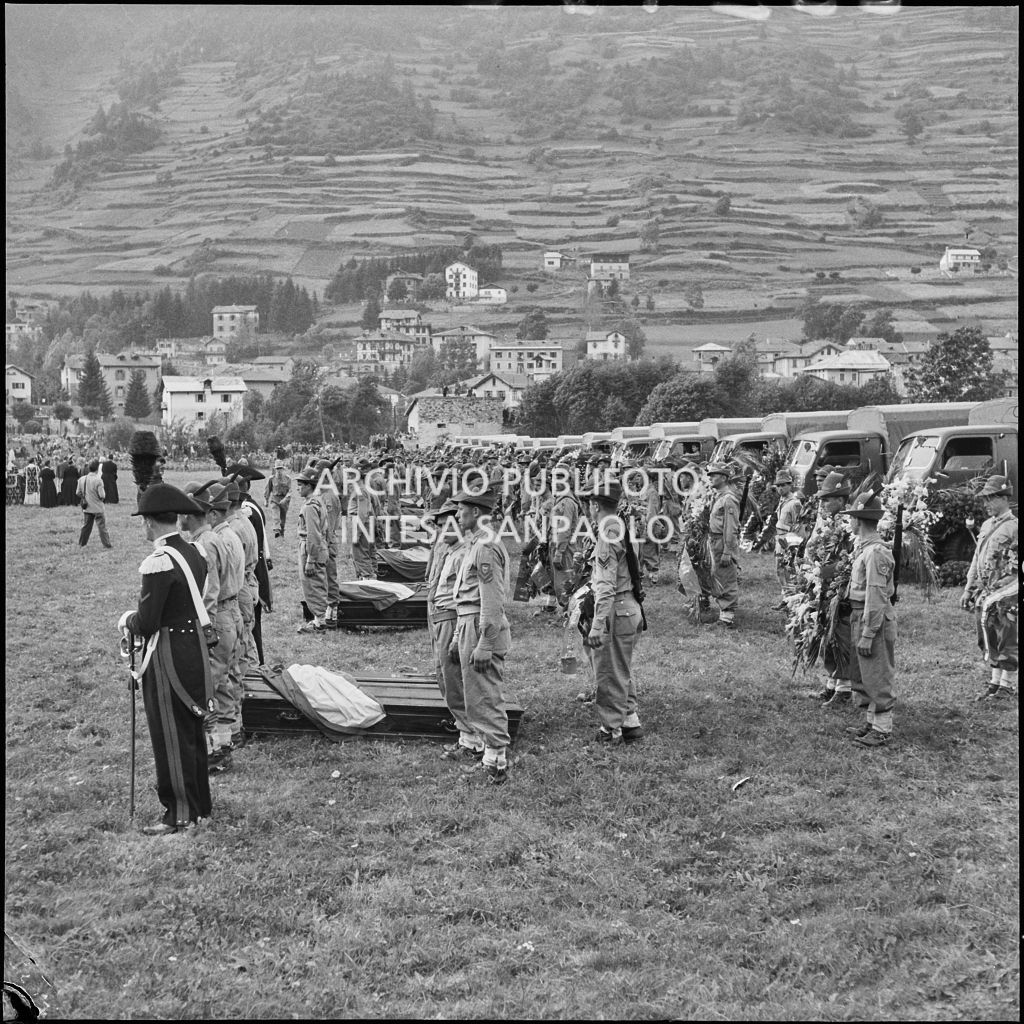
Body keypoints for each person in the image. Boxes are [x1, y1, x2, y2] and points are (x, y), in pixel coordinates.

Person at [117, 483, 214, 835]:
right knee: (190, 730)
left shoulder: (159, 561)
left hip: (168, 653)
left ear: (150, 522)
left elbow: (147, 623)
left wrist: (126, 619)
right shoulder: (194, 552)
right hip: (194, 649)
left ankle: (179, 814)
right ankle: (200, 806)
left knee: (170, 733)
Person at [452, 488, 512, 785]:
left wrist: (485, 643)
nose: (457, 514)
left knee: (487, 694)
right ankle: (490, 755)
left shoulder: (485, 546)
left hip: (481, 626)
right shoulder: (477, 542)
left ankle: (496, 761)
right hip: (470, 624)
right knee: (476, 695)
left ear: (476, 512)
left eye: (461, 509)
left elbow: (491, 599)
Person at [583, 477, 646, 746]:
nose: (588, 509)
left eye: (589, 503)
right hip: (628, 607)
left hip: (615, 609)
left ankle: (611, 730)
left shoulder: (607, 534)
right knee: (621, 667)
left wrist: (598, 625)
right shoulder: (620, 526)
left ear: (596, 505)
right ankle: (630, 721)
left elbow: (606, 586)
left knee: (609, 672)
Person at [189, 482, 245, 772]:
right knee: (222, 684)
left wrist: (204, 628)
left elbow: (209, 591)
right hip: (229, 613)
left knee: (208, 687)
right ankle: (226, 742)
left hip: (218, 616)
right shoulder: (215, 536)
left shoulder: (205, 543)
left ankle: (216, 751)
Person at [840, 493, 898, 748]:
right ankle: (872, 721)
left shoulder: (875, 552)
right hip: (859, 615)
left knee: (876, 672)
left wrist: (868, 632)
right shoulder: (865, 549)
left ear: (859, 520)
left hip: (872, 617)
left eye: (852, 518)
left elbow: (876, 595)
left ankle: (882, 729)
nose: (850, 523)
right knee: (864, 672)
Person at [425, 500, 480, 761]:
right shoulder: (448, 550)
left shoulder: (464, 554)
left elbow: (466, 599)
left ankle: (472, 738)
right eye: (438, 526)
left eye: (447, 525)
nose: (442, 531)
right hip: (439, 618)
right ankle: (464, 732)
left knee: (455, 679)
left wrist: (458, 634)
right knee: (443, 676)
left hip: (452, 619)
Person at [961, 475, 1018, 701]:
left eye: (990, 499)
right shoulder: (986, 525)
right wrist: (968, 587)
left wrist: (1006, 585)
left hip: (1006, 593)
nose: (986, 504)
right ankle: (995, 682)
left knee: (1007, 635)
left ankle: (1007, 685)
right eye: (984, 499)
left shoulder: (1014, 527)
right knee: (987, 633)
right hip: (985, 591)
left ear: (1004, 498)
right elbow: (977, 558)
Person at [803, 471, 854, 706]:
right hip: (824, 587)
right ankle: (832, 683)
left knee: (841, 636)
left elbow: (849, 561)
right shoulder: (828, 522)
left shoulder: (849, 526)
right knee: (826, 635)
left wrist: (826, 571)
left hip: (841, 590)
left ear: (841, 500)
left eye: (828, 499)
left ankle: (845, 688)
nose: (823, 504)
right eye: (822, 499)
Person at [706, 462, 741, 629]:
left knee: (726, 576)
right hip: (714, 540)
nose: (711, 478)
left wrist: (727, 551)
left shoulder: (728, 499)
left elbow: (731, 528)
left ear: (724, 478)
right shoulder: (719, 497)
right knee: (718, 575)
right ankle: (723, 612)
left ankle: (727, 617)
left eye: (714, 475)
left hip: (723, 541)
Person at [296, 469, 330, 632]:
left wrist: (311, 559)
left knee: (313, 584)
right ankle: (318, 619)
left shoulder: (310, 506)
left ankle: (320, 622)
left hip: (312, 548)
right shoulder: (318, 501)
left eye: (300, 485)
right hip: (318, 546)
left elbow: (313, 534)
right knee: (316, 583)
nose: (298, 488)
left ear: (309, 486)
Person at [772, 470, 804, 609]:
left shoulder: (794, 503)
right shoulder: (782, 501)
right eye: (778, 485)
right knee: (779, 569)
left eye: (783, 485)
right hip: (780, 538)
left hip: (789, 539)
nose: (780, 488)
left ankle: (792, 600)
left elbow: (799, 525)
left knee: (789, 570)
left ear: (790, 485)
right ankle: (786, 598)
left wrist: (793, 544)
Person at [347, 458, 381, 580]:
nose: (349, 477)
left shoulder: (361, 490)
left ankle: (368, 580)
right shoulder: (363, 489)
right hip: (367, 525)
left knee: (361, 555)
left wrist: (357, 533)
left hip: (361, 525)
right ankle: (372, 578)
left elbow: (363, 513)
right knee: (368, 553)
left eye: (351, 475)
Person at [76, 459, 113, 549]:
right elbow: (102, 495)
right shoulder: (98, 480)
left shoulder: (82, 479)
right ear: (97, 468)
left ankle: (82, 543)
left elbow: (77, 492)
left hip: (87, 507)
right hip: (97, 508)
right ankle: (106, 544)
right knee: (102, 527)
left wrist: (84, 497)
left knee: (86, 527)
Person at [265, 451, 292, 538]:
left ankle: (282, 531)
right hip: (275, 499)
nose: (279, 471)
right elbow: (268, 490)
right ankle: (276, 530)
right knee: (276, 516)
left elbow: (290, 491)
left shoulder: (288, 479)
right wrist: (266, 500)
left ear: (283, 469)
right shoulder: (271, 479)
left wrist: (286, 499)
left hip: (284, 500)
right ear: (275, 469)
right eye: (277, 469)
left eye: (280, 468)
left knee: (282, 518)